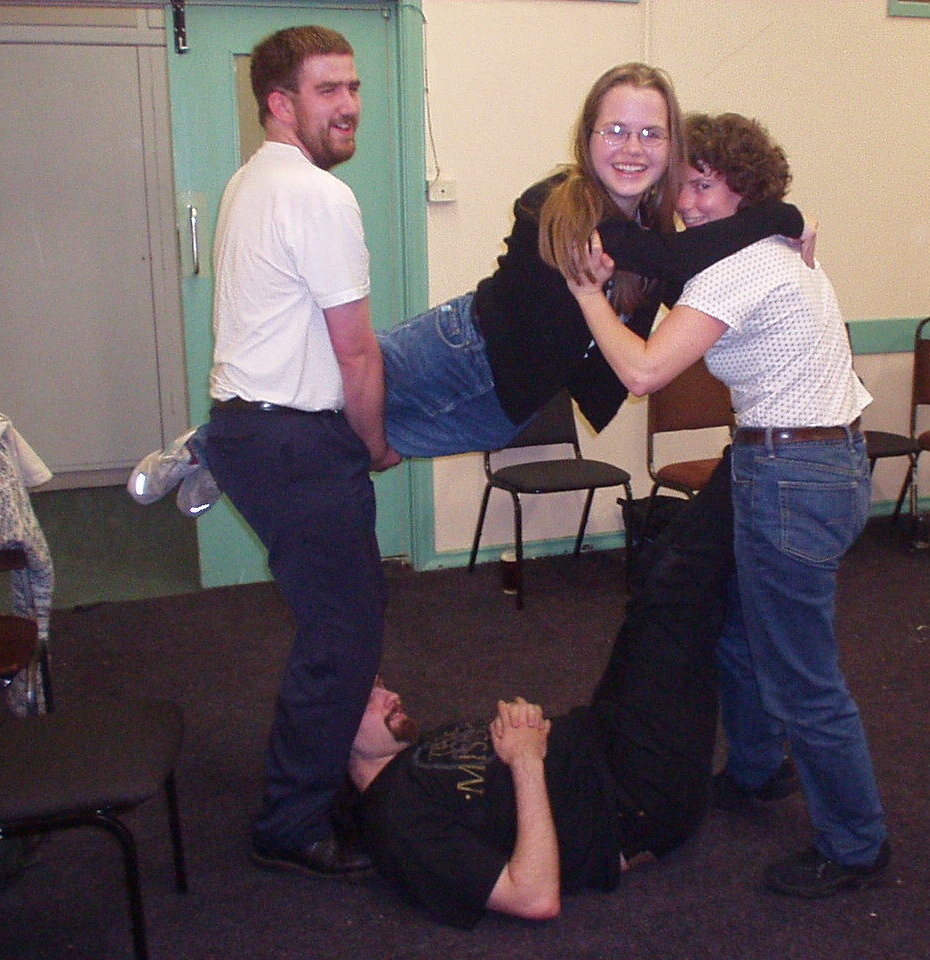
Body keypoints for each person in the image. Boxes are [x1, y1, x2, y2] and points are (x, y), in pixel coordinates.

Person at [127, 63, 808, 511]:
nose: (632, 147)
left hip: (508, 403)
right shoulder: (558, 201)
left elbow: (694, 267)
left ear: (671, 146)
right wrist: (782, 218)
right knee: (319, 393)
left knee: (351, 443)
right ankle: (212, 444)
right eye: (617, 130)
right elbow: (671, 256)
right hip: (460, 349)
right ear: (589, 136)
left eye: (651, 134)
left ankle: (231, 462)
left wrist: (767, 240)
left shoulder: (659, 224)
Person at [559, 112, 889, 898]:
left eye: (704, 186)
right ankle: (756, 769)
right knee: (740, 631)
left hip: (793, 474)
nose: (689, 203)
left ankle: (857, 845)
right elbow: (671, 263)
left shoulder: (739, 268)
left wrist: (586, 293)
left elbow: (643, 372)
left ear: (745, 188)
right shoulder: (771, 248)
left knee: (801, 674)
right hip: (807, 461)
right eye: (683, 187)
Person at [348, 448, 738, 928]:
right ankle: (763, 446)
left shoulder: (412, 765)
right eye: (368, 700)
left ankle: (760, 462)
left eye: (380, 685)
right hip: (635, 800)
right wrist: (526, 760)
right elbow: (533, 898)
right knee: (674, 591)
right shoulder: (397, 822)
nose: (390, 695)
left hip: (604, 733)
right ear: (335, 739)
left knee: (667, 583)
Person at [203, 25, 399, 878]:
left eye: (353, 87)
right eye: (328, 90)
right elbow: (355, 351)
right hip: (293, 440)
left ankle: (321, 777)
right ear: (280, 103)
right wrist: (376, 443)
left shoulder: (252, 180)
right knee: (341, 636)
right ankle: (290, 822)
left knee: (340, 620)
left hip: (251, 432)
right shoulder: (318, 196)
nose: (349, 105)